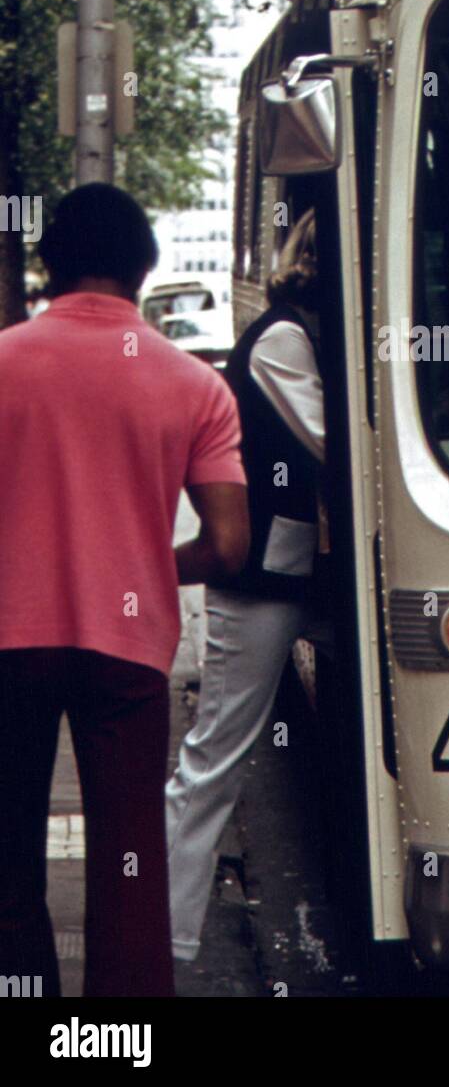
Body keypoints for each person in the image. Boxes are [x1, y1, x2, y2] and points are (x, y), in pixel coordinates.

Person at [0, 183, 249, 998]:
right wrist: (139, 560)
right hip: (127, 652)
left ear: (47, 265)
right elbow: (228, 543)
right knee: (129, 862)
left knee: (8, 862)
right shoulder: (195, 386)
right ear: (146, 268)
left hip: (8, 646)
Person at [166, 208, 325, 963]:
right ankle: (166, 943)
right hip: (260, 577)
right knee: (215, 759)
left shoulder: (302, 331)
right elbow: (337, 444)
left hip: (294, 570)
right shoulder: (285, 338)